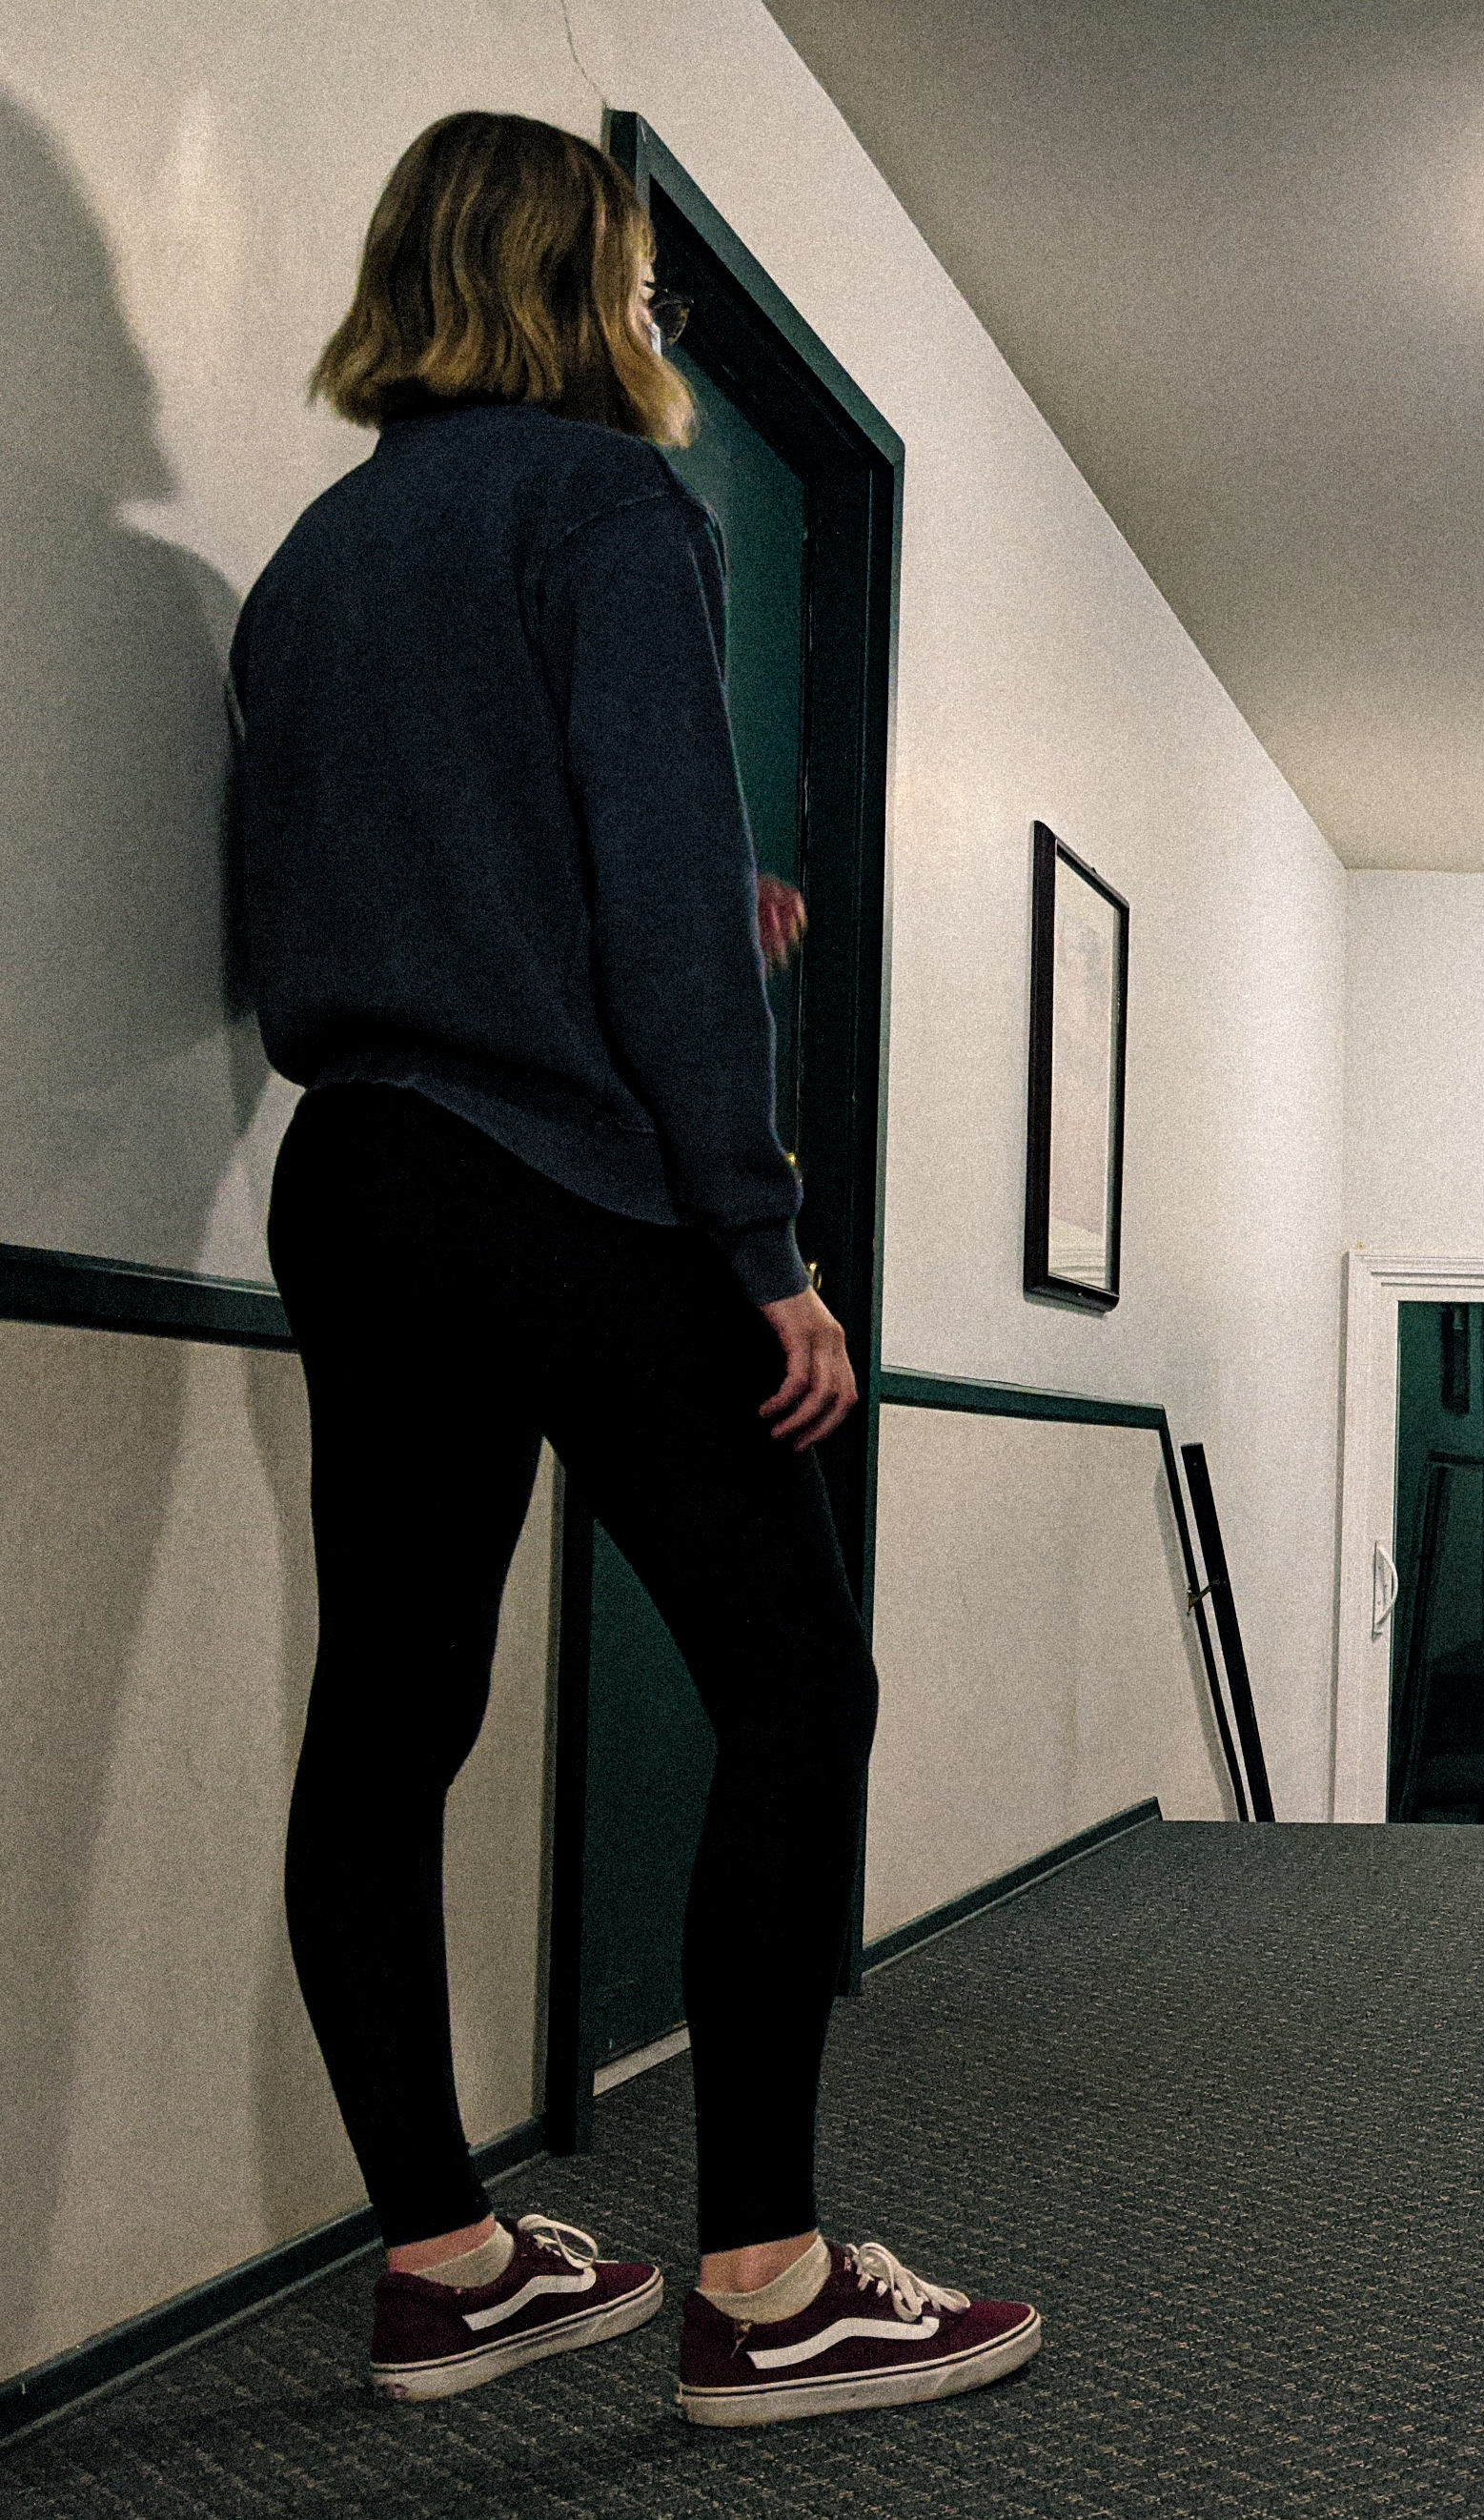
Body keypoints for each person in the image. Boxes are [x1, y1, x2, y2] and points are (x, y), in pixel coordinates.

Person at [234, 112, 1037, 2424]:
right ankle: (773, 2285)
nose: (659, 320)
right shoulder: (606, 508)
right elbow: (663, 901)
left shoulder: (313, 559)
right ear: (582, 282)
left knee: (385, 1711)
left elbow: (378, 892)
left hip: (356, 1170)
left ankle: (446, 2256)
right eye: (642, 279)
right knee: (797, 1688)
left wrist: (647, 943)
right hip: (561, 1181)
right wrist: (763, 1241)